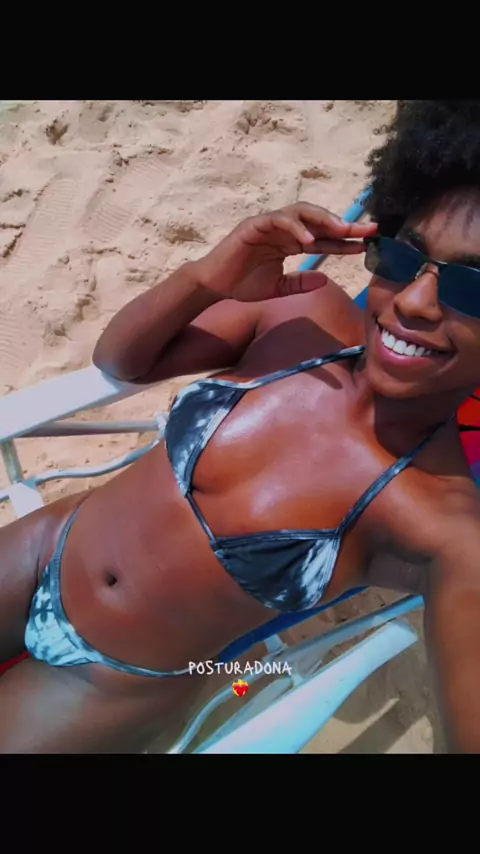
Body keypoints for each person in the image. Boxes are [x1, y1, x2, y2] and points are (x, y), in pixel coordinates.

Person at [2, 99, 480, 754]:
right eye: (403, 257)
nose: (415, 302)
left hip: (109, 680)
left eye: (472, 288)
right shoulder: (303, 315)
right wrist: (207, 276)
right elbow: (122, 360)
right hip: (45, 547)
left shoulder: (441, 527)